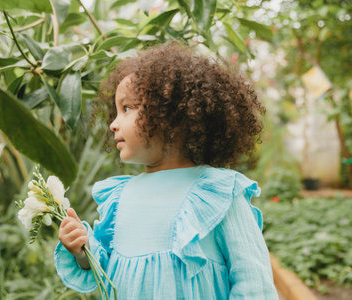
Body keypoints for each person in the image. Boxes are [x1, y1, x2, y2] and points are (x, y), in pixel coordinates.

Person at [54, 42, 279, 299]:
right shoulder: (120, 196)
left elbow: (253, 282)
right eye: (115, 112)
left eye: (127, 108)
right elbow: (105, 271)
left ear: (171, 116)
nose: (114, 124)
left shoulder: (218, 193)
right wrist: (83, 251)